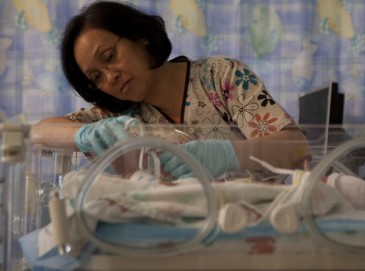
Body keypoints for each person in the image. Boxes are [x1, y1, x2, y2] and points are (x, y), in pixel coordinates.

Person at [30, 0, 311, 179]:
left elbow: (296, 147)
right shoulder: (119, 117)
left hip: (259, 228)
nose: (110, 77)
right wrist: (85, 133)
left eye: (109, 57)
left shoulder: (220, 76)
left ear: (139, 37)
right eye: (96, 77)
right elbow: (39, 132)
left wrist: (227, 155)